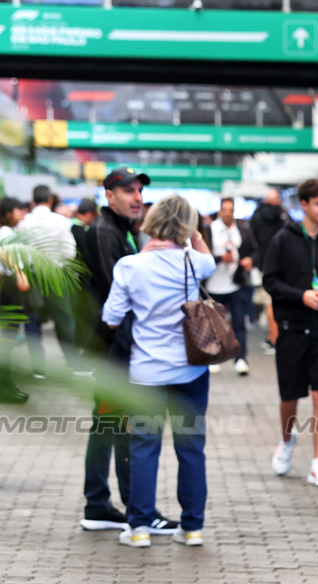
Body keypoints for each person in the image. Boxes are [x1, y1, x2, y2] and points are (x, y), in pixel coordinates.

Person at [101, 194, 215, 548]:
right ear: (187, 225)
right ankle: (192, 528)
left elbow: (110, 318)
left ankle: (138, 529)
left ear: (151, 222)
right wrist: (194, 233)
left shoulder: (129, 266)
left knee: (144, 449)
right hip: (191, 372)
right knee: (192, 449)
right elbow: (207, 256)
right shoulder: (195, 263)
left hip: (146, 373)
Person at [75, 167, 179, 534]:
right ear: (109, 195)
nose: (136, 197)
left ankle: (103, 504)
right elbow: (117, 299)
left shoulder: (125, 233)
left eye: (139, 190)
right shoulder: (106, 234)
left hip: (120, 350)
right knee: (118, 427)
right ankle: (123, 507)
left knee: (113, 427)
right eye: (127, 190)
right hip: (113, 352)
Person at [263, 179, 318, 487]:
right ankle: (287, 440)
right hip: (292, 329)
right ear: (304, 205)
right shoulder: (283, 239)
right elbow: (269, 281)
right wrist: (301, 295)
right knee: (290, 396)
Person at [20, 184, 81, 375]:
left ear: (32, 201)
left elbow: (18, 250)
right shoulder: (61, 221)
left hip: (30, 274)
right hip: (56, 274)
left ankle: (39, 369)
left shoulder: (24, 221)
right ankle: (73, 364)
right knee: (64, 318)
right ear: (50, 200)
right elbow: (70, 252)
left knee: (32, 320)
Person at [0, 197, 31, 404]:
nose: (24, 213)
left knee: (8, 340)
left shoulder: (7, 231)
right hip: (9, 288)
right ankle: (3, 389)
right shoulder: (6, 232)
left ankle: (6, 386)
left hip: (7, 286)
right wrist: (20, 273)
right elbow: (4, 253)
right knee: (6, 341)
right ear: (10, 212)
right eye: (21, 209)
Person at [206, 196, 257, 376]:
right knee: (213, 324)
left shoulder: (242, 230)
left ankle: (241, 358)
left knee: (238, 323)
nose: (228, 213)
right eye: (225, 210)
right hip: (214, 284)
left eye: (231, 210)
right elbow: (202, 255)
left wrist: (250, 259)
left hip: (236, 283)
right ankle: (213, 357)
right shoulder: (210, 230)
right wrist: (220, 259)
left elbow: (254, 250)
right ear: (220, 211)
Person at [250, 189, 288, 355]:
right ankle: (275, 336)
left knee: (269, 303)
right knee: (277, 301)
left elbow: (252, 241)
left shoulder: (256, 216)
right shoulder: (284, 217)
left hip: (264, 265)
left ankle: (274, 338)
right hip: (283, 265)